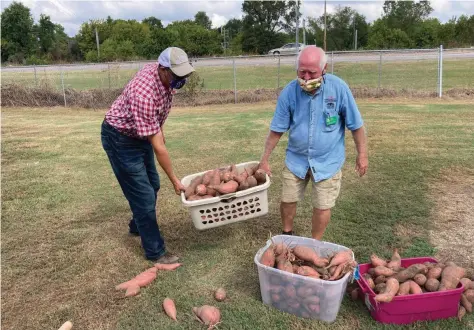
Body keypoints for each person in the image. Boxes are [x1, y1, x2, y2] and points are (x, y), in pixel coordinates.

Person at [259, 45, 368, 240]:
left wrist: (362, 155)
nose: (307, 78)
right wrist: (264, 159)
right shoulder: (289, 93)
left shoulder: (339, 89)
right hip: (296, 159)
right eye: (302, 72)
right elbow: (277, 130)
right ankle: (287, 233)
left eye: (312, 72)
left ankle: (314, 243)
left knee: (322, 205)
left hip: (328, 161)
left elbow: (356, 126)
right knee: (288, 199)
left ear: (324, 69)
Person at [100, 47, 195, 262]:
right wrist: (175, 180)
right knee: (143, 195)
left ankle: (137, 225)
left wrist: (160, 130)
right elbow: (159, 149)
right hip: (120, 139)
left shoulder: (164, 77)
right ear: (162, 69)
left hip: (140, 134)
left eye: (185, 74)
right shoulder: (144, 93)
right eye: (177, 75)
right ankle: (155, 251)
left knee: (152, 184)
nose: (182, 79)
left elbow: (158, 114)